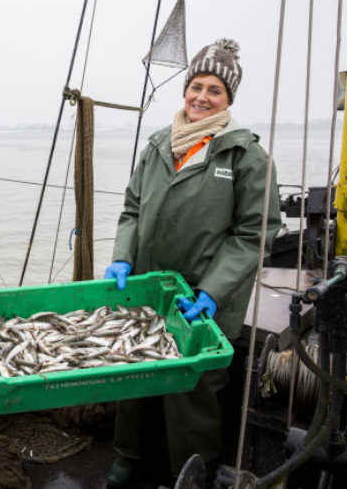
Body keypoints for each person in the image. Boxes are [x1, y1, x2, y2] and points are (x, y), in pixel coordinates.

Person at [103, 39, 282, 486]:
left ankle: (190, 472)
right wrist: (123, 258)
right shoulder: (160, 144)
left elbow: (254, 233)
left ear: (229, 98)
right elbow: (131, 208)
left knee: (194, 390)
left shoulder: (246, 155)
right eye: (196, 86)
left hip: (203, 298)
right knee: (134, 376)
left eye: (215, 90)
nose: (202, 97)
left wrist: (211, 292)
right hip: (146, 290)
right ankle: (127, 456)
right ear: (185, 90)